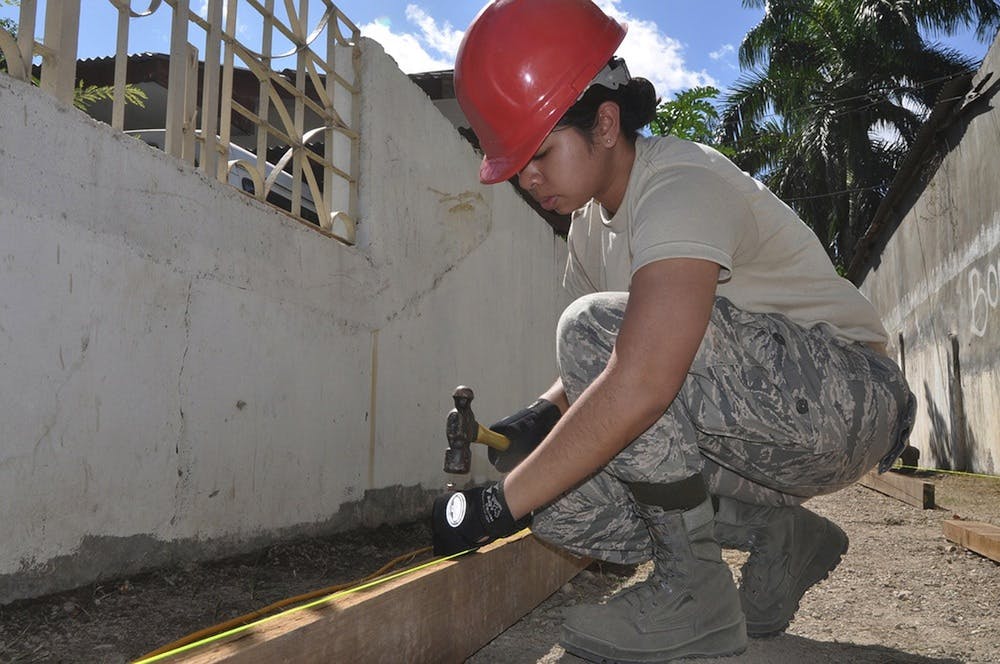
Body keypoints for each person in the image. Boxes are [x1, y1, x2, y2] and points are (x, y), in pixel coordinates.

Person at [430, 0, 917, 661]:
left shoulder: (679, 183)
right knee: (567, 500)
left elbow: (638, 376)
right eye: (515, 166)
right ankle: (781, 535)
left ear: (605, 124)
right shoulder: (585, 230)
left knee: (594, 346)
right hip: (765, 429)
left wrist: (497, 507)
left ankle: (695, 596)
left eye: (539, 153)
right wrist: (537, 420)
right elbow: (598, 376)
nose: (527, 178)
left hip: (851, 400)